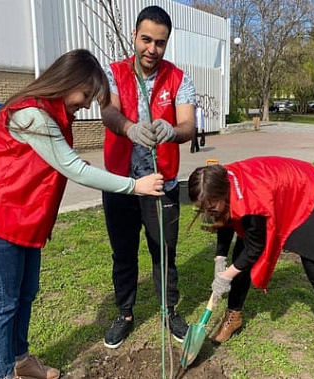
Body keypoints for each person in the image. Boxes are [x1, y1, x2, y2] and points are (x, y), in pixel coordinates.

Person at [0, 49, 164, 379]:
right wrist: (135, 186)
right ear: (69, 80)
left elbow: (51, 163)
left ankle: (21, 361)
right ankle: (2, 374)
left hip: (22, 224)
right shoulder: (31, 114)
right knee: (0, 305)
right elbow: (72, 166)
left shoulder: (51, 116)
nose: (86, 104)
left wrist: (68, 170)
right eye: (85, 95)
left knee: (24, 295)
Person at [187, 156, 314, 379]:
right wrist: (219, 260)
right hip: (268, 194)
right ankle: (234, 316)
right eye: (202, 209)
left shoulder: (250, 199)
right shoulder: (220, 186)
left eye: (210, 207)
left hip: (300, 193)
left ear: (224, 193)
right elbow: (225, 220)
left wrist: (227, 275)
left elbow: (255, 247)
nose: (207, 213)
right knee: (238, 258)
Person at [100, 5, 196, 349]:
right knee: (123, 253)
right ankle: (125, 313)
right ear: (134, 36)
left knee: (164, 252)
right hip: (120, 183)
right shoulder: (113, 73)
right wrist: (128, 127)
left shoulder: (179, 78)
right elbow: (108, 111)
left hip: (161, 184)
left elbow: (188, 125)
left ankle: (170, 311)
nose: (151, 50)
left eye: (160, 43)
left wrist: (173, 131)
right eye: (146, 40)